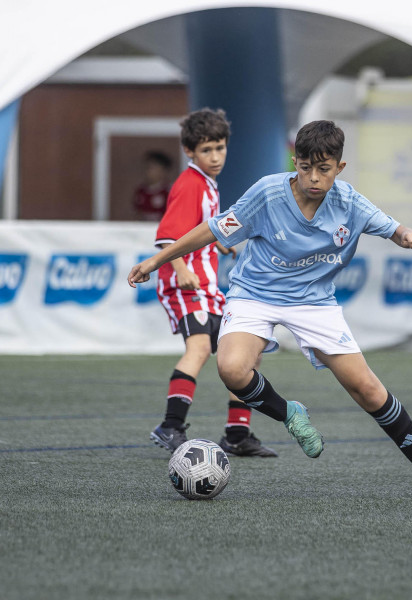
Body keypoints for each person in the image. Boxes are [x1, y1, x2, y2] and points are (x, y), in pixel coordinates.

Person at [129, 119, 412, 499]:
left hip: (315, 303)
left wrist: (406, 235)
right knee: (231, 369)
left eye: (324, 169)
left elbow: (393, 228)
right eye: (305, 167)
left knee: (367, 389)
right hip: (254, 295)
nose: (313, 177)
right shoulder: (267, 193)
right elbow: (212, 230)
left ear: (340, 167)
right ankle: (290, 415)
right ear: (294, 161)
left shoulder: (350, 203)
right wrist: (158, 260)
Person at [148, 108, 277, 458]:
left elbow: (199, 228)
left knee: (248, 351)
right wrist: (180, 269)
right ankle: (170, 427)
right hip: (185, 286)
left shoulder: (207, 184)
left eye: (220, 148)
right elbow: (167, 237)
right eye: (207, 150)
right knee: (200, 348)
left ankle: (236, 434)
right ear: (190, 152)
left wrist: (217, 242)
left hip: (207, 289)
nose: (216, 156)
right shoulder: (190, 184)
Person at [133, 151, 173, 221]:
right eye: (146, 167)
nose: (147, 171)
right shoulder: (141, 191)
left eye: (152, 168)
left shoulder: (170, 192)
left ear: (163, 171)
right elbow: (137, 213)